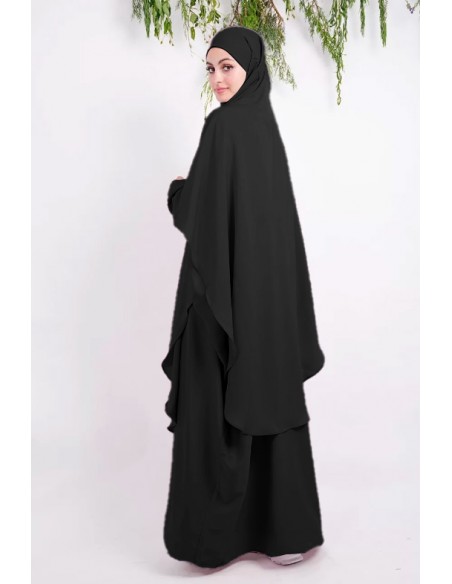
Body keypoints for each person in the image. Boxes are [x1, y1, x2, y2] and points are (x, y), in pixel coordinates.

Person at [161, 25, 326, 569]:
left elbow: (198, 212)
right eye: (210, 69)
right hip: (265, 298)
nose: (217, 79)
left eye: (227, 67)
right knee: (267, 389)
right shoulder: (262, 125)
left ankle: (213, 542)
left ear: (250, 68)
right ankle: (286, 536)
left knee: (216, 401)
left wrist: (177, 190)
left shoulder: (224, 127)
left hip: (220, 300)